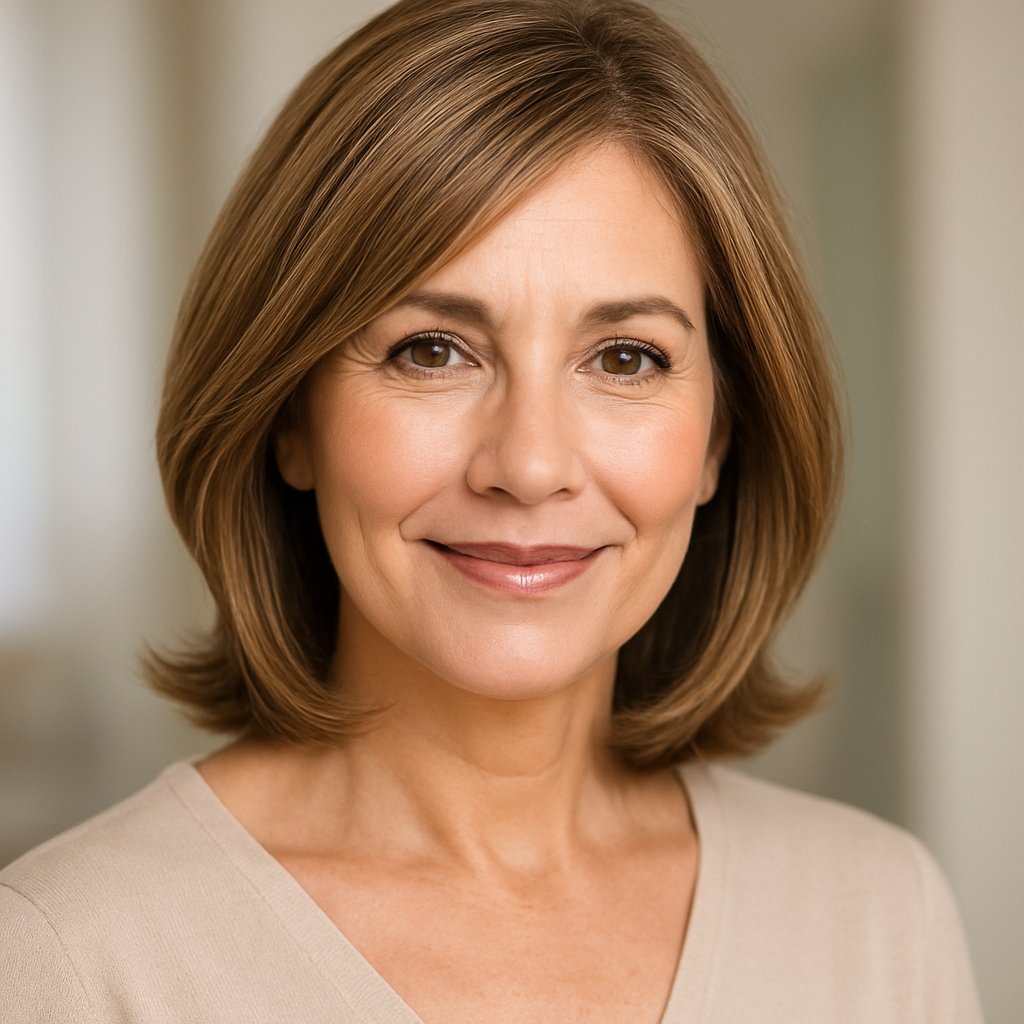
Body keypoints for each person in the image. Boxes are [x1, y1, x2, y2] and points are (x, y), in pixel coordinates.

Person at [0, 0, 982, 1020]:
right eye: (432, 349)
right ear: (288, 414)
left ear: (718, 437)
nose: (529, 462)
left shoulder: (876, 915)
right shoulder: (69, 955)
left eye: (624, 357)